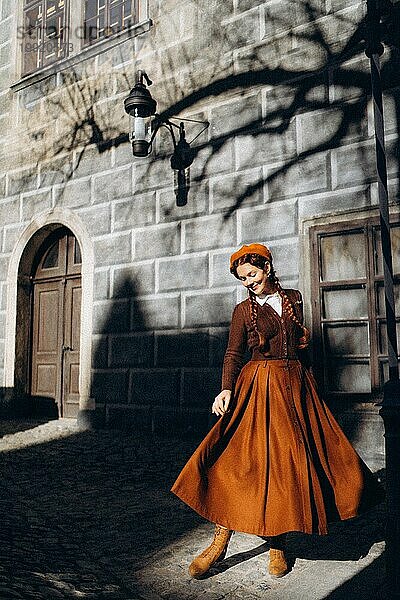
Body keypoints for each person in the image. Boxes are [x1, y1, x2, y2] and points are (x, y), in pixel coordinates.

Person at [171, 243, 383, 579]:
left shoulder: (294, 299)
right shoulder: (243, 310)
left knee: (285, 469)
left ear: (267, 267)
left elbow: (304, 350)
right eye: (242, 278)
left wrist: (313, 392)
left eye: (252, 275)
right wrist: (226, 388)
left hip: (295, 389)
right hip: (256, 389)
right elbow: (232, 354)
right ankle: (219, 541)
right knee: (237, 465)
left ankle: (278, 544)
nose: (248, 282)